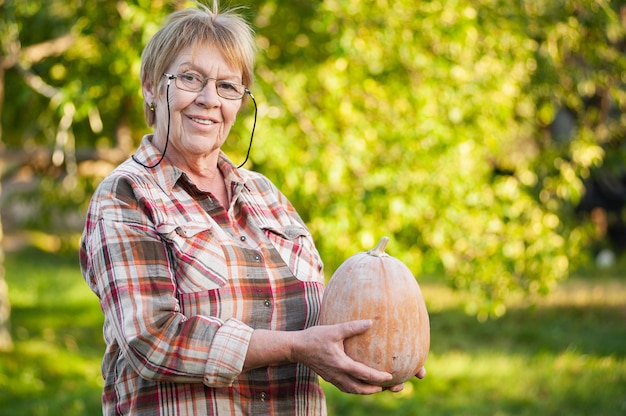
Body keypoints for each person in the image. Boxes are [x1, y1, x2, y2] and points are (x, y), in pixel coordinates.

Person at [79, 1, 426, 415]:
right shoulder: (126, 195)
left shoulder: (267, 197)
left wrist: (379, 347)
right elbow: (153, 339)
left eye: (228, 86)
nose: (209, 99)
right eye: (190, 78)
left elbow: (311, 320)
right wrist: (296, 349)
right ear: (151, 86)